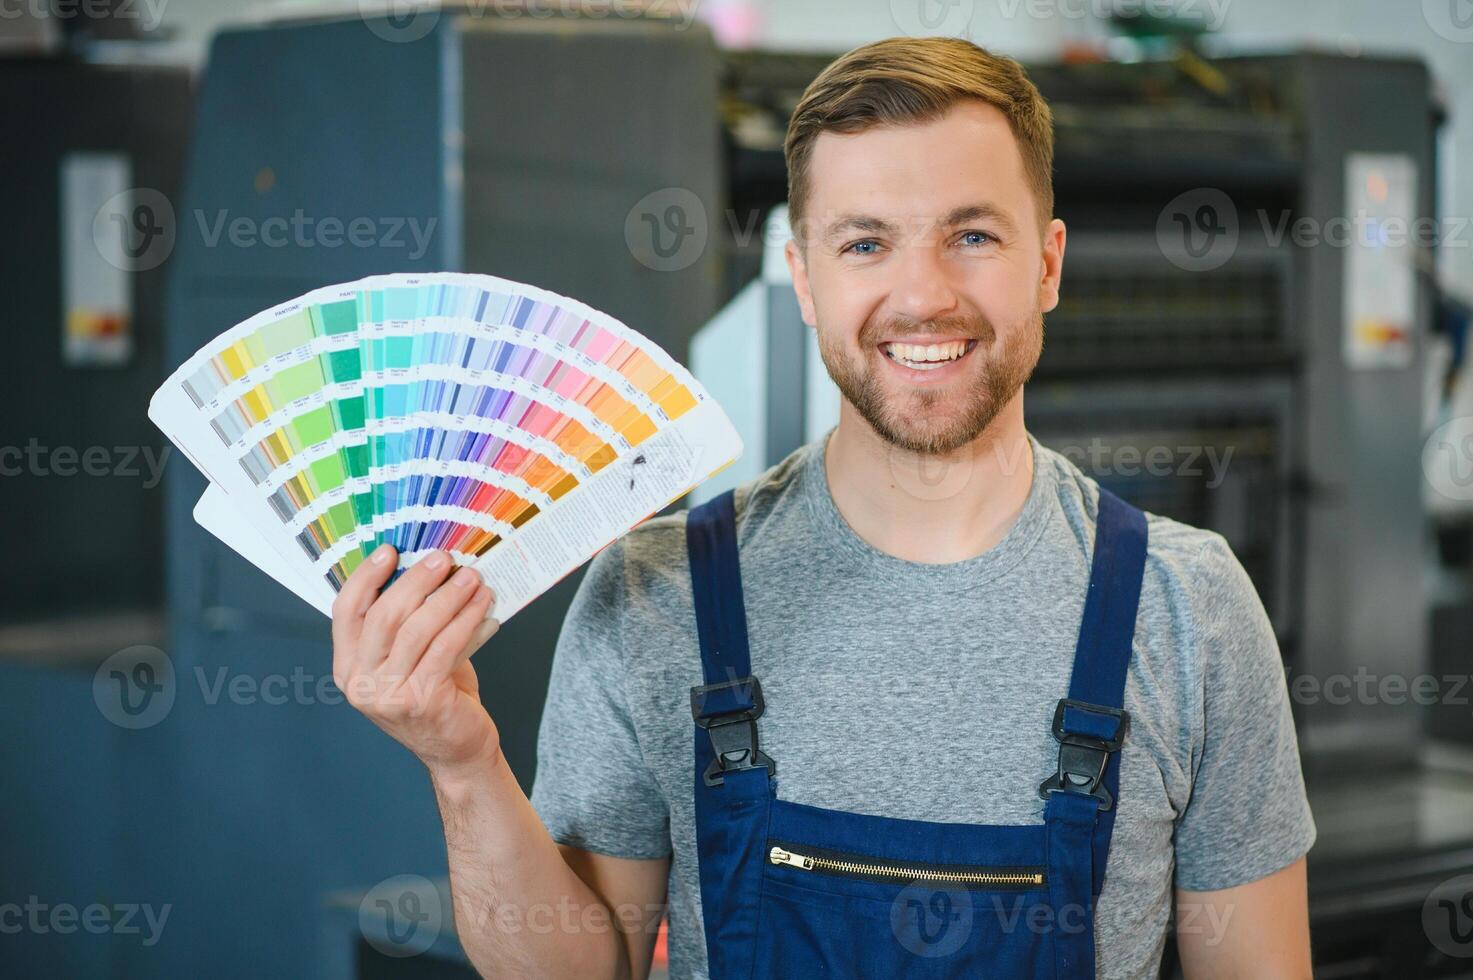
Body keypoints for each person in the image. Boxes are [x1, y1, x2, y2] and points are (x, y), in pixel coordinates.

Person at [330, 35, 1315, 979]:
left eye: (972, 235)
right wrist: (461, 762)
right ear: (803, 276)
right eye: (865, 243)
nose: (923, 293)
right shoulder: (655, 595)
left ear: (1048, 264)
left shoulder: (1187, 609)